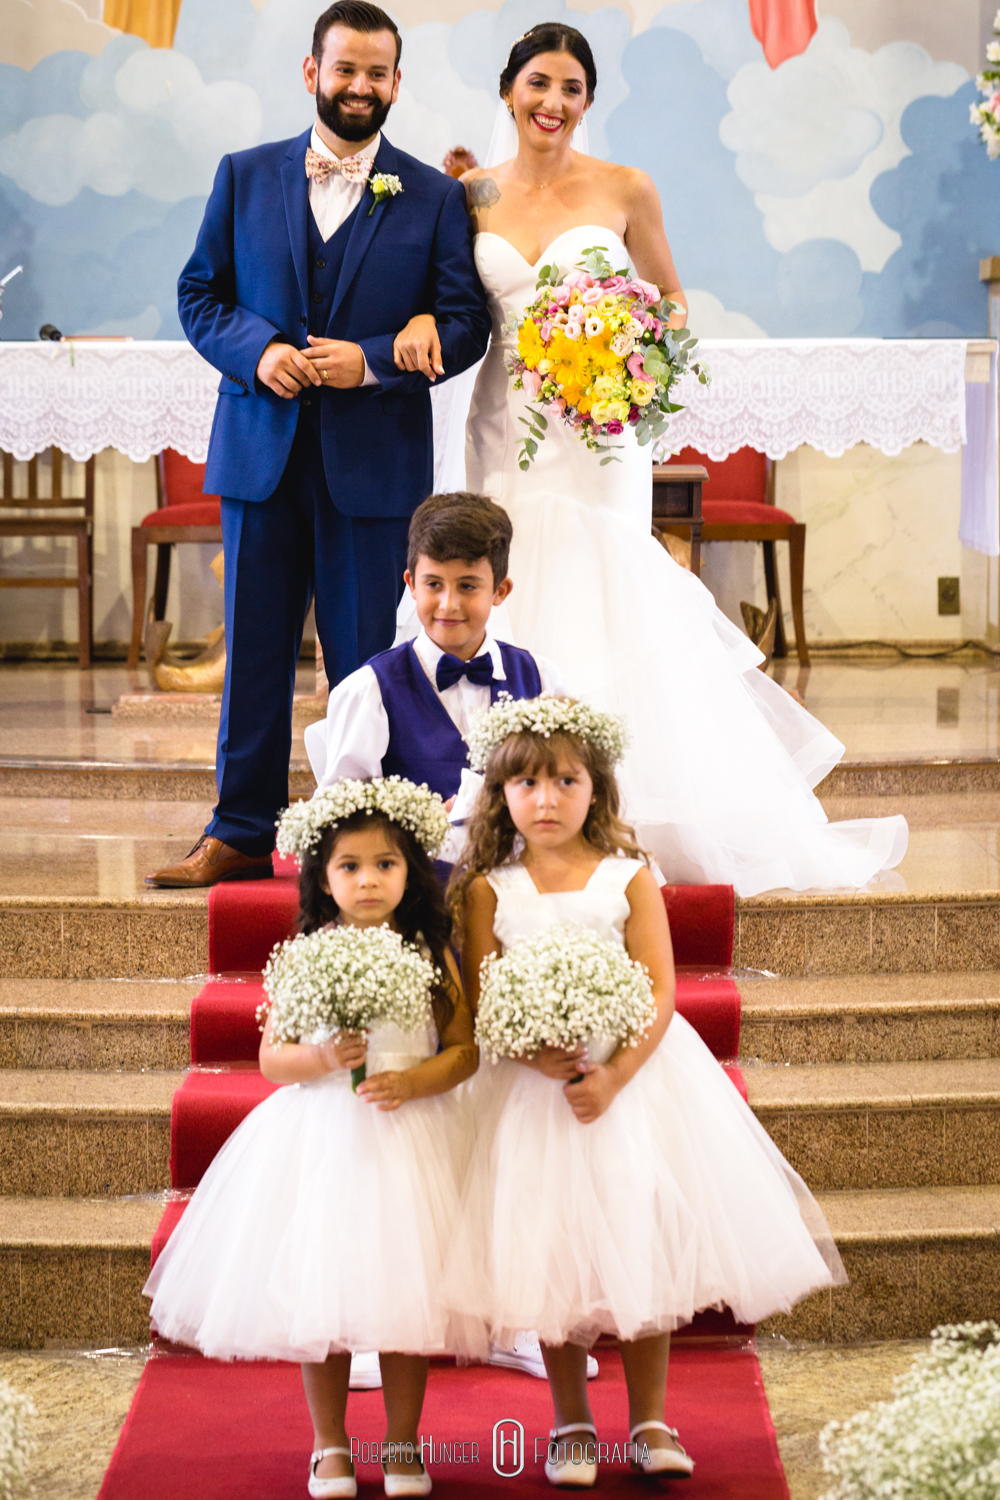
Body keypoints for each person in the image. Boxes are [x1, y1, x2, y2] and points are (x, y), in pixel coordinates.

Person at [416, 21, 908, 899]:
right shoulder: (470, 195)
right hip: (502, 424)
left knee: (607, 596)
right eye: (537, 84)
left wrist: (631, 345)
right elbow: (452, 304)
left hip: (597, 435)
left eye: (570, 89)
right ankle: (497, 805)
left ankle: (608, 810)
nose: (552, 104)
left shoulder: (625, 187)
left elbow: (674, 300)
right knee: (510, 577)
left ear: (588, 102)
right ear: (507, 92)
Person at [446, 696, 846, 1486]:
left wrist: (618, 1074)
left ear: (597, 788)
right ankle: (570, 1423)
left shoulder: (629, 876)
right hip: (537, 1095)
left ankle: (652, 1417)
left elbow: (660, 989)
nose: (548, 799)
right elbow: (483, 995)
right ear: (500, 795)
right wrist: (533, 1057)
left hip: (633, 1087)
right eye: (527, 784)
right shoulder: (490, 887)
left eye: (566, 780)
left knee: (642, 1245)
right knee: (548, 1251)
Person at [147, 0, 491, 889]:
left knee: (364, 663)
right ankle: (238, 829)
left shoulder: (434, 195)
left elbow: (465, 326)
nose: (360, 87)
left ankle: (369, 836)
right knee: (255, 650)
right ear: (313, 73)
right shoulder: (245, 175)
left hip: (372, 469)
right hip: (262, 454)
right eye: (345, 70)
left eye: (378, 74)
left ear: (396, 84)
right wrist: (257, 351)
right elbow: (199, 297)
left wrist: (372, 362)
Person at [144, 779, 478, 1498]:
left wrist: (414, 1083)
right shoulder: (305, 953)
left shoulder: (428, 950)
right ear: (322, 880)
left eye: (385, 865)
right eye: (350, 866)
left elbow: (463, 1050)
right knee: (321, 1300)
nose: (368, 880)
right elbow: (272, 1058)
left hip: (410, 1134)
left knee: (407, 1301)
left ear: (409, 872)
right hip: (325, 1140)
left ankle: (401, 1442)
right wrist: (327, 1058)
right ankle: (329, 1444)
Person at [305, 491, 567, 868]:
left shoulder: (541, 679)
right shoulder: (371, 690)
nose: (448, 604)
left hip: (523, 881)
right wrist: (416, 820)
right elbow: (341, 813)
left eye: (467, 586)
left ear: (500, 591)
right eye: (434, 585)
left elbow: (566, 782)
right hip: (416, 894)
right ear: (410, 584)